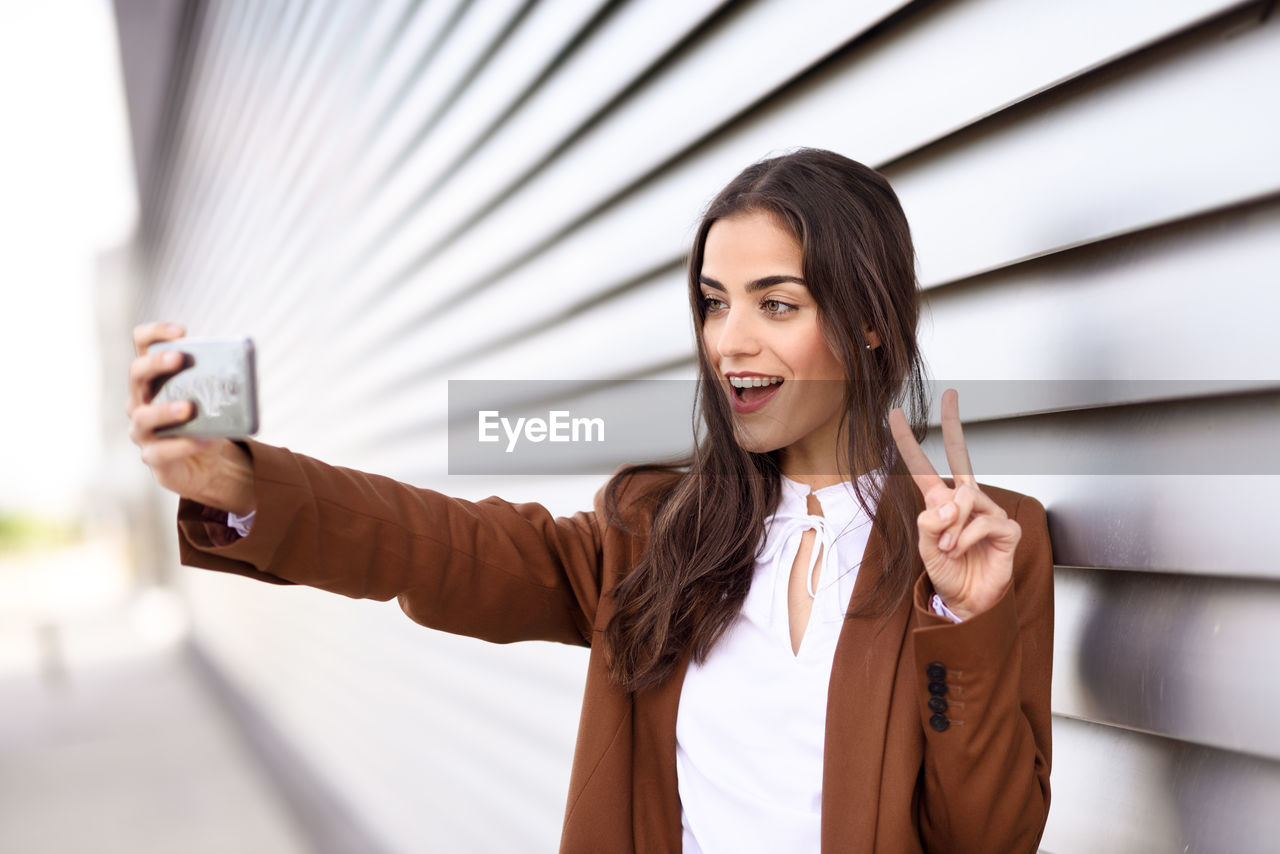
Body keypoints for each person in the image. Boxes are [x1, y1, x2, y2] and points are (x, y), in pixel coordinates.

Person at [127, 148, 1052, 853]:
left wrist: (966, 619)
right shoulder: (657, 532)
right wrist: (243, 486)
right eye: (713, 301)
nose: (730, 341)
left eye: (777, 304)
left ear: (870, 316)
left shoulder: (986, 543)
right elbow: (438, 545)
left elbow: (989, 838)